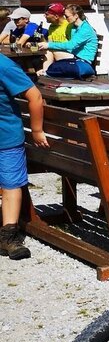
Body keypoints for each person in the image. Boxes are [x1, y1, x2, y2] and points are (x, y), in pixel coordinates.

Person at [0, 51, 48, 260]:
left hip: (6, 138)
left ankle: (9, 236)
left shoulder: (4, 66)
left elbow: (34, 95)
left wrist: (36, 130)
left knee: (11, 184)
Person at [43, 5, 98, 79]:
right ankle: (45, 72)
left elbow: (71, 45)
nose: (65, 18)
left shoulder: (85, 29)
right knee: (50, 50)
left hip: (83, 60)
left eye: (67, 16)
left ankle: (45, 72)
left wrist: (49, 45)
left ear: (76, 16)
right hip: (74, 57)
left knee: (50, 49)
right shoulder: (73, 27)